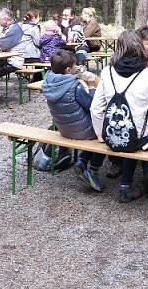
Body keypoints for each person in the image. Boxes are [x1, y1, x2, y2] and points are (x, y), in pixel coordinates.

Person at [90, 31, 148, 202]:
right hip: (140, 140)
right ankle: (145, 173)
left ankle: (129, 182)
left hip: (112, 137)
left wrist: (102, 137)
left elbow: (95, 109)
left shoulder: (107, 72)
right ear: (139, 47)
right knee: (147, 126)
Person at [42, 49, 104, 191]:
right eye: (76, 65)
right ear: (69, 70)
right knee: (105, 131)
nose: (78, 68)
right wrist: (92, 87)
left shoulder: (48, 82)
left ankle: (82, 161)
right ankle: (93, 169)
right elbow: (92, 107)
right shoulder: (74, 86)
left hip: (64, 129)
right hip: (81, 131)